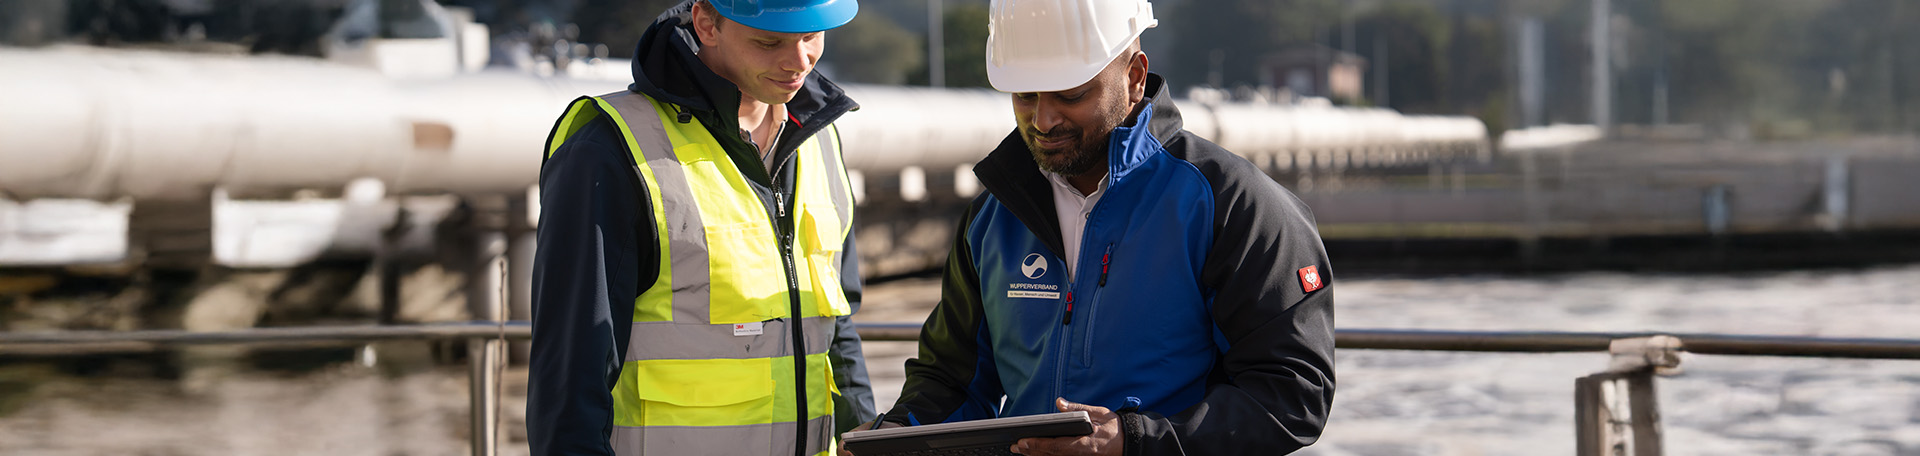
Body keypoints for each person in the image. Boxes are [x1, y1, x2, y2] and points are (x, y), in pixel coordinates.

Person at [857, 0, 1335, 454]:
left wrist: (1136, 441)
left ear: (1134, 76)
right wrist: (898, 435)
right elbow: (951, 380)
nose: (1043, 119)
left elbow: (1292, 394)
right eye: (1024, 95)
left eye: (1070, 94)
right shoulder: (994, 215)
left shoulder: (1232, 205)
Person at [529, 0, 876, 454]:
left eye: (811, 37)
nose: (799, 63)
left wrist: (865, 436)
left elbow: (835, 328)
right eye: (769, 41)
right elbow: (569, 379)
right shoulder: (608, 148)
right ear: (707, 23)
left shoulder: (819, 140)